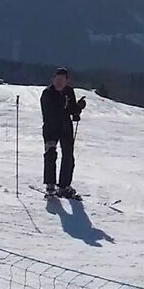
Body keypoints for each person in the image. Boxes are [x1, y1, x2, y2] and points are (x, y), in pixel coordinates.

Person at [39, 67, 86, 199]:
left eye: (62, 80)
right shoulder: (47, 93)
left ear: (67, 81)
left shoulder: (69, 91)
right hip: (51, 128)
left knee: (68, 156)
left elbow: (71, 109)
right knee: (50, 154)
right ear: (53, 79)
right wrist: (71, 111)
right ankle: (50, 185)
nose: (59, 82)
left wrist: (78, 108)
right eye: (57, 79)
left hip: (66, 128)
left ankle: (64, 186)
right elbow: (50, 114)